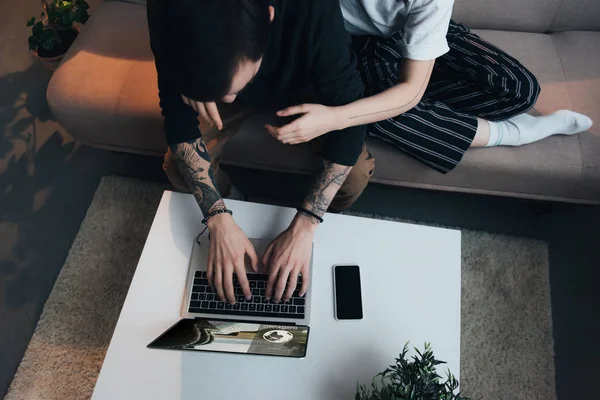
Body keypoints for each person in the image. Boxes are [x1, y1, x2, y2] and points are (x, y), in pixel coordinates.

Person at [147, 0, 372, 305]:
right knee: (178, 166)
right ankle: (235, 210)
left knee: (354, 175)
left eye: (239, 84)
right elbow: (177, 119)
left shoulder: (314, 9)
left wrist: (306, 224)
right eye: (225, 92)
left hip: (306, 95)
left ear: (269, 15)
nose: (230, 97)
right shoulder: (168, 12)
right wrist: (217, 218)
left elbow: (350, 120)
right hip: (209, 83)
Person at [269, 0, 593, 174]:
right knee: (372, 112)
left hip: (404, 35)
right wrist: (340, 116)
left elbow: (410, 89)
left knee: (519, 89)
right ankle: (515, 133)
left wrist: (335, 119)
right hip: (343, 46)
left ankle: (425, 110)